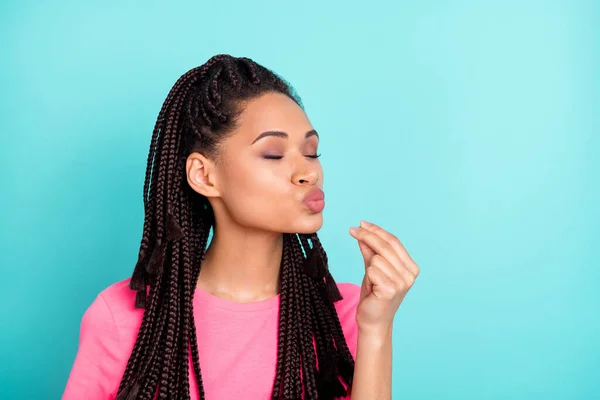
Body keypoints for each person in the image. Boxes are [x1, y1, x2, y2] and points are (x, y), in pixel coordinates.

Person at [62, 54, 419, 400]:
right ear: (204, 175)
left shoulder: (346, 314)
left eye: (311, 152)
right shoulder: (121, 319)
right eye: (274, 154)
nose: (309, 172)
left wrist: (376, 330)